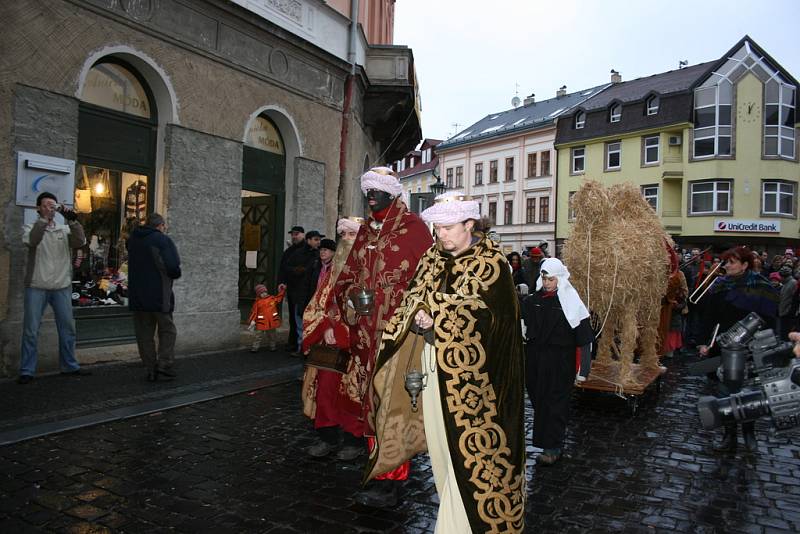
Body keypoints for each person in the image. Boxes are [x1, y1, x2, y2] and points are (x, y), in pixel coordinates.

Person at [366, 192, 526, 532]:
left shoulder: (492, 263)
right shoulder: (432, 257)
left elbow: (488, 316)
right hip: (434, 369)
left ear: (470, 224)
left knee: (469, 457)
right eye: (437, 228)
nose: (441, 235)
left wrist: (436, 312)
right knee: (442, 451)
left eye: (449, 227)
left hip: (478, 384)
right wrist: (419, 313)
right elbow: (412, 296)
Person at [331, 167, 432, 508]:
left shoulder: (415, 229)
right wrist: (349, 300)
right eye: (367, 190)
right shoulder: (364, 233)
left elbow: (430, 282)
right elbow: (345, 277)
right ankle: (377, 467)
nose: (370, 195)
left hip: (398, 336)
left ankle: (391, 480)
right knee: (371, 404)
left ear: (393, 193)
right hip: (364, 339)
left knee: (393, 406)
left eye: (377, 190)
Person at [696, 246, 778, 452]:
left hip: (751, 348)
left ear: (745, 265)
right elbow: (708, 317)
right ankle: (729, 436)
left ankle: (749, 434)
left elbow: (769, 321)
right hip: (725, 346)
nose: (727, 266)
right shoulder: (719, 286)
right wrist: (704, 342)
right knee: (725, 393)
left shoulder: (762, 286)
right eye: (726, 262)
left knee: (748, 394)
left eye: (732, 262)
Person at [301, 219, 364, 460]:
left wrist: (341, 327)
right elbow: (319, 303)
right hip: (329, 343)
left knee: (353, 394)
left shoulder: (369, 267)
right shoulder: (332, 269)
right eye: (343, 234)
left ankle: (353, 440)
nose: (346, 238)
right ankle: (326, 437)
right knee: (325, 391)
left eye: (352, 234)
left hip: (358, 344)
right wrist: (327, 325)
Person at [522, 258, 593, 466]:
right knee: (540, 403)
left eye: (551, 279)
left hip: (561, 363)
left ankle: (552, 447)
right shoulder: (532, 301)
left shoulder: (571, 302)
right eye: (544, 278)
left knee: (555, 405)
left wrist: (583, 370)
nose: (546, 283)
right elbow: (523, 327)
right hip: (536, 362)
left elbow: (584, 340)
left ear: (559, 279)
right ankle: (546, 442)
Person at [18, 192, 89, 384]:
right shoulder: (30, 227)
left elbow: (80, 242)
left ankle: (69, 366)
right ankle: (27, 370)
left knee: (67, 328)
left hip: (61, 286)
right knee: (31, 330)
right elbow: (32, 240)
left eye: (53, 205)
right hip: (36, 285)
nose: (51, 208)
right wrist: (43, 220)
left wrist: (73, 221)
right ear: (38, 208)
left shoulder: (63, 230)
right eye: (47, 205)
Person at [127, 212, 182, 382]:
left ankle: (150, 368)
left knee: (144, 334)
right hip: (159, 294)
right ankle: (164, 364)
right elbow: (173, 267)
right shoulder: (161, 240)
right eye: (164, 226)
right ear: (160, 226)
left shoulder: (133, 240)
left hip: (137, 294)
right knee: (168, 330)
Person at [281, 230, 323, 354]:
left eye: (319, 240)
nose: (318, 242)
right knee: (298, 320)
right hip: (298, 292)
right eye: (316, 239)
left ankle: (308, 347)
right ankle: (300, 347)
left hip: (313, 293)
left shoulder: (319, 254)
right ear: (308, 240)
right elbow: (286, 268)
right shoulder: (297, 253)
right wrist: (297, 270)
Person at [277, 225, 305, 352]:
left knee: (300, 316)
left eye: (297, 234)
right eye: (293, 234)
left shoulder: (306, 250)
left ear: (303, 235)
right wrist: (281, 282)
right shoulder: (288, 251)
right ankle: (293, 341)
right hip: (291, 289)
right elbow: (283, 268)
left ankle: (301, 343)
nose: (294, 236)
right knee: (293, 316)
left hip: (302, 289)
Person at [248, 283, 286, 352]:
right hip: (261, 322)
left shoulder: (272, 299)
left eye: (265, 292)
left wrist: (282, 290)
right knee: (258, 336)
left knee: (272, 335)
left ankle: (273, 346)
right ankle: (255, 347)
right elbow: (254, 312)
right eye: (261, 293)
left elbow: (279, 298)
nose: (264, 294)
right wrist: (252, 321)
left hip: (271, 322)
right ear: (258, 294)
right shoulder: (257, 302)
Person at [777, 265, 797, 339]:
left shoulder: (793, 283)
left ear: (783, 276)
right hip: (784, 313)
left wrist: (790, 312)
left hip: (788, 314)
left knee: (786, 336)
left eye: (780, 276)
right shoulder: (785, 284)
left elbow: (794, 300)